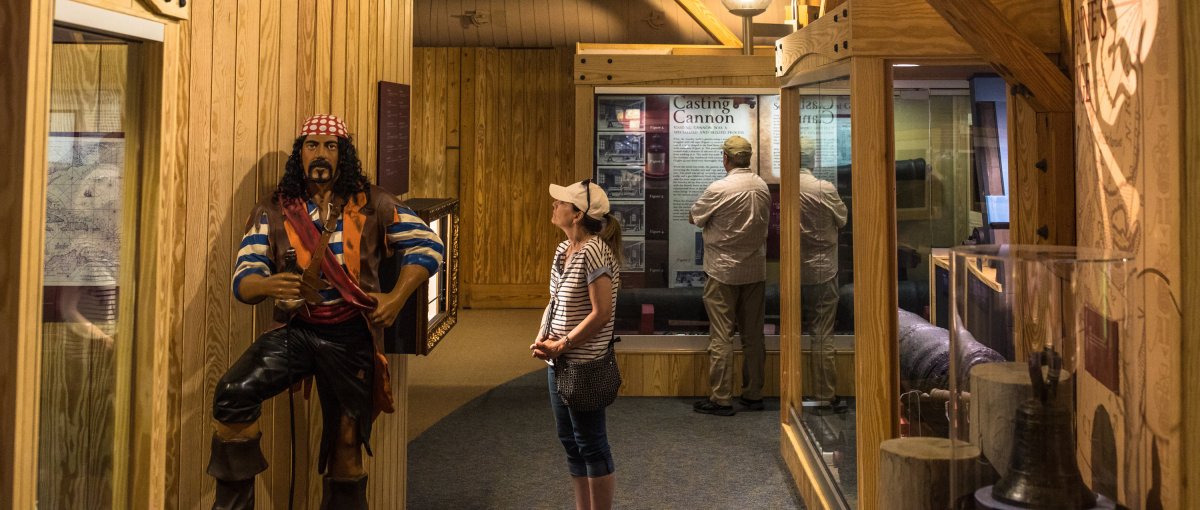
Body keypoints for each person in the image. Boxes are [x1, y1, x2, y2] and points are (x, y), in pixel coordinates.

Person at [209, 114, 444, 509]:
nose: (321, 154)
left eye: (330, 146)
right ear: (299, 153)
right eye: (312, 146)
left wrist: (397, 296)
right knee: (233, 393)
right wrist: (268, 285)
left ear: (343, 154)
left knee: (347, 443)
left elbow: (428, 244)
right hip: (296, 331)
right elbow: (244, 277)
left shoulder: (374, 204)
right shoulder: (274, 208)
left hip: (352, 334)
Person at [530, 179, 623, 510]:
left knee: (591, 443)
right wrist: (544, 336)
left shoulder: (594, 250)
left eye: (562, 203)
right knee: (570, 441)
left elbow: (601, 313)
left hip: (583, 362)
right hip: (559, 361)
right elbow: (555, 300)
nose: (554, 207)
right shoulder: (562, 250)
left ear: (579, 214)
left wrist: (563, 343)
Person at [689, 135, 771, 416]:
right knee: (753, 335)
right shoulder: (761, 187)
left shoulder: (719, 189)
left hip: (722, 271)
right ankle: (754, 393)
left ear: (726, 158)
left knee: (721, 335)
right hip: (755, 270)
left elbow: (694, 216)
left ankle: (721, 398)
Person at [797, 143, 849, 413]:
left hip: (795, 271)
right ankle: (824, 394)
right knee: (822, 335)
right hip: (824, 269)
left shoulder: (789, 188)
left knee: (793, 333)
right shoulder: (825, 189)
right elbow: (842, 219)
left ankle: (793, 391)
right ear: (812, 160)